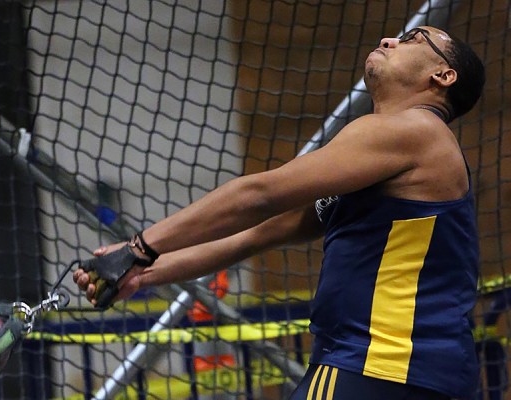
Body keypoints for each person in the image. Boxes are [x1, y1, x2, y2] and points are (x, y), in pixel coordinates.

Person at [74, 26, 485, 400]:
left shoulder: (414, 130)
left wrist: (140, 246)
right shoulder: (389, 163)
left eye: (413, 38)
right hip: (426, 375)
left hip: (376, 367)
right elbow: (258, 234)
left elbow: (259, 195)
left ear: (443, 76)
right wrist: (142, 272)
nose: (389, 41)